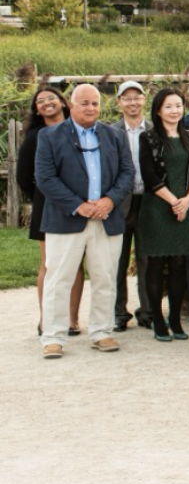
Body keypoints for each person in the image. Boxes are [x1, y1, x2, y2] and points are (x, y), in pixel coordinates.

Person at [35, 84, 133, 358]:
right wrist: (78, 206)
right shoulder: (50, 136)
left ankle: (102, 332)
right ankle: (53, 337)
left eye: (95, 103)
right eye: (85, 103)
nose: (91, 108)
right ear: (72, 106)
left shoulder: (114, 135)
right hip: (66, 221)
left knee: (105, 277)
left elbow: (127, 173)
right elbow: (45, 178)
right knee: (59, 279)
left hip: (106, 219)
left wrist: (109, 200)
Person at [137, 88, 189, 342]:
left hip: (186, 207)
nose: (175, 110)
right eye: (169, 106)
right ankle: (157, 320)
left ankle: (175, 319)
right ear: (158, 110)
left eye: (178, 106)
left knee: (179, 265)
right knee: (156, 265)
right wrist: (174, 201)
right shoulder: (149, 138)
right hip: (158, 208)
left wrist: (187, 200)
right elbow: (149, 175)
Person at [17, 87, 84, 337]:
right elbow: (23, 177)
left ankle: (72, 319)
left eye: (51, 98)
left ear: (63, 102)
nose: (47, 103)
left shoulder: (79, 129)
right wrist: (40, 196)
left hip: (79, 203)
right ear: (37, 109)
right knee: (49, 263)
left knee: (77, 263)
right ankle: (46, 318)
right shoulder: (35, 137)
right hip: (46, 205)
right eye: (40, 101)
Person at [113, 80, 152, 331]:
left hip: (149, 202)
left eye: (136, 97)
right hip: (120, 204)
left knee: (147, 260)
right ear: (119, 103)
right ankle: (118, 313)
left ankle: (148, 312)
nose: (132, 102)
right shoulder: (110, 131)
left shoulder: (155, 129)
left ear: (144, 100)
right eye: (126, 98)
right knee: (116, 260)